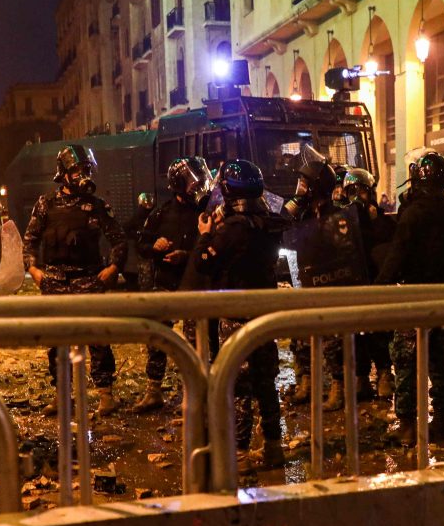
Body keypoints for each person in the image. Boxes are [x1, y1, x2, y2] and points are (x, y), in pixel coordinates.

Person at [194, 160, 285, 472]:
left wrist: (205, 235)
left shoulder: (233, 230)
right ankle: (273, 447)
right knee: (266, 383)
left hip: (236, 317)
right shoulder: (268, 223)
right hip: (265, 315)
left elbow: (204, 263)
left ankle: (240, 455)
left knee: (240, 387)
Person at [24, 144, 127, 414]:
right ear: (64, 173)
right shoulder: (46, 204)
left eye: (86, 170)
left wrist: (114, 267)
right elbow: (30, 239)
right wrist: (33, 269)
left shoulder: (97, 206)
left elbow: (118, 239)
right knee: (57, 342)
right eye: (78, 170)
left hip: (88, 279)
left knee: (98, 338)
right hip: (55, 281)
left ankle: (105, 394)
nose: (83, 175)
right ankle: (62, 395)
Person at [375, 150, 444, 445]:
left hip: (414, 298)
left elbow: (397, 255)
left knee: (406, 364)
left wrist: (378, 287)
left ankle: (408, 426)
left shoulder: (413, 213)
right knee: (442, 365)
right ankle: (441, 423)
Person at [287, 155, 374, 409]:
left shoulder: (337, 216)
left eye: (304, 184)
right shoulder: (302, 216)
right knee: (300, 337)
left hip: (331, 287)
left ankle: (339, 387)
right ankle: (306, 382)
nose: (300, 188)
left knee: (334, 342)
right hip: (307, 285)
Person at [134, 158, 209, 412]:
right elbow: (142, 245)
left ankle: (193, 393)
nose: (196, 185)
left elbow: (211, 245)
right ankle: (153, 391)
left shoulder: (205, 212)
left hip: (193, 286)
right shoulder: (162, 213)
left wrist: (185, 255)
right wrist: (154, 247)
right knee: (157, 338)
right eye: (191, 181)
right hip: (165, 283)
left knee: (194, 342)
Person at [342, 167, 395, 399]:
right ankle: (361, 377)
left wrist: (375, 221)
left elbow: (388, 246)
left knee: (378, 331)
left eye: (361, 191)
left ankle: (384, 374)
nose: (357, 197)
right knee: (355, 333)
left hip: (374, 282)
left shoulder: (381, 220)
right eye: (352, 191)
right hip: (352, 283)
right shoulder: (342, 221)